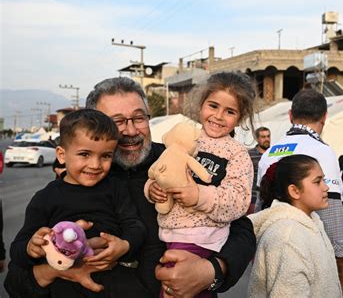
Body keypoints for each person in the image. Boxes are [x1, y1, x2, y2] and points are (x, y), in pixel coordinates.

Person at [4, 77, 256, 298]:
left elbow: (241, 227)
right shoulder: (71, 187)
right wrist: (58, 269)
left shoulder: (181, 159)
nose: (131, 130)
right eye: (117, 121)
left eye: (138, 118)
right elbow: (16, 281)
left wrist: (212, 270)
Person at [7, 109, 148, 297]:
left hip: (115, 282)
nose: (95, 164)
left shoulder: (116, 188)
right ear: (61, 155)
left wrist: (124, 245)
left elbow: (135, 225)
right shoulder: (45, 198)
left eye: (105, 156)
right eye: (84, 154)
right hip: (64, 287)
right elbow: (18, 248)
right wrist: (31, 248)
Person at [144, 71, 255, 297]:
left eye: (230, 111)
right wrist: (151, 189)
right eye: (213, 106)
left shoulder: (237, 154)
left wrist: (199, 196)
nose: (218, 116)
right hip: (168, 234)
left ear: (240, 117)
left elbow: (239, 201)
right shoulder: (184, 138)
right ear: (201, 104)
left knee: (176, 289)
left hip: (202, 237)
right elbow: (161, 171)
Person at [257, 89, 343, 298]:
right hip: (310, 254)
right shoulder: (322, 152)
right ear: (324, 117)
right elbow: (334, 224)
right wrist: (342, 278)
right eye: (319, 182)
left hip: (272, 245)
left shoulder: (270, 152)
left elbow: (258, 209)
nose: (323, 186)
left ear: (290, 115)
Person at [248, 155, 342, 297]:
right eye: (317, 182)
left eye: (324, 180)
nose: (326, 187)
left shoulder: (311, 222)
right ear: (294, 191)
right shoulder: (287, 236)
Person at [248, 126, 271, 213]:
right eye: (263, 137)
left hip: (270, 198)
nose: (267, 139)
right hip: (253, 197)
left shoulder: (273, 153)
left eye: (268, 136)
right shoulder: (249, 154)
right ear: (257, 139)